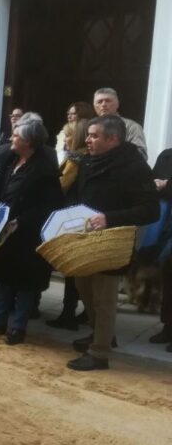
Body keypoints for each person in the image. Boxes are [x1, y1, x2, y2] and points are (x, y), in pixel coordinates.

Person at [66, 115, 158, 371]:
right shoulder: (89, 160)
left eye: (94, 136)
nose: (87, 140)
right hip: (86, 238)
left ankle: (99, 353)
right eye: (88, 135)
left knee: (104, 297)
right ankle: (101, 335)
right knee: (82, 285)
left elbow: (151, 211)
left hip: (114, 242)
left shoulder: (135, 167)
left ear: (113, 139)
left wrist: (110, 218)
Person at [0, 120, 63, 344]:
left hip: (27, 234)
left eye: (16, 136)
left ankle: (18, 327)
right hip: (1, 230)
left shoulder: (45, 170)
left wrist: (21, 221)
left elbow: (50, 205)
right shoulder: (7, 158)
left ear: (29, 142)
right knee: (2, 278)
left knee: (25, 283)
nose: (11, 139)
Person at [46, 118, 90, 331]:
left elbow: (60, 185)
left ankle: (68, 314)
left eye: (68, 136)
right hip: (78, 216)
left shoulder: (75, 160)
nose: (64, 140)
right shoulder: (85, 158)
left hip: (71, 218)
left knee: (71, 269)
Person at [147, 146, 172, 351]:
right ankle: (168, 327)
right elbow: (153, 180)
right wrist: (158, 184)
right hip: (167, 226)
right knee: (168, 278)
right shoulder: (167, 155)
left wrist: (167, 184)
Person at [93, 88, 147, 160]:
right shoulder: (89, 127)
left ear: (117, 104)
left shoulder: (132, 127)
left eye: (108, 101)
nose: (103, 104)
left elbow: (141, 155)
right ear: (94, 106)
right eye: (99, 102)